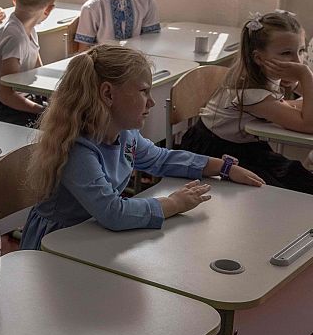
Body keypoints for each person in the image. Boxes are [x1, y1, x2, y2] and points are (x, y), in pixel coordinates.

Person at [20, 45, 265, 250]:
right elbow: (113, 213)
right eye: (143, 91)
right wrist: (174, 203)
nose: (152, 101)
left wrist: (220, 166)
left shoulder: (125, 135)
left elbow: (160, 159)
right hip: (56, 246)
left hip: (93, 235)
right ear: (108, 94)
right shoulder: (78, 150)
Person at [181, 10, 313, 193]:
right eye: (286, 53)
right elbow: (308, 124)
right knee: (282, 193)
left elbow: (301, 108)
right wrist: (305, 75)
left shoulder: (268, 77)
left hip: (248, 149)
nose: (298, 61)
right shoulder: (250, 93)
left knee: (301, 178)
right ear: (259, 58)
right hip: (217, 153)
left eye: (301, 51)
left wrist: (297, 83)